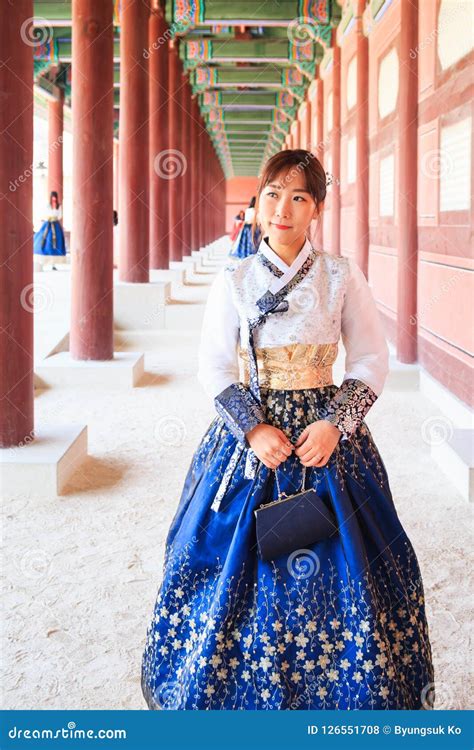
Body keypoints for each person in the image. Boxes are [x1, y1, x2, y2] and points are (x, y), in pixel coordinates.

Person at [141, 149, 434, 710]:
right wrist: (251, 429)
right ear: (259, 203)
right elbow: (214, 366)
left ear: (316, 208)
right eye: (273, 194)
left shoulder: (341, 274)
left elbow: (371, 359)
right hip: (253, 444)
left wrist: (336, 424)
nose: (283, 208)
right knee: (219, 563)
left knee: (356, 570)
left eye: (299, 197)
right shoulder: (235, 278)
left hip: (327, 441)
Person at [33, 190, 66, 269]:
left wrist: (54, 217)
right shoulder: (47, 205)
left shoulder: (59, 206)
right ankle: (43, 261)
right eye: (53, 197)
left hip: (55, 224)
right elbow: (45, 214)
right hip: (48, 225)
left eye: (55, 197)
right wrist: (49, 217)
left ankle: (53, 264)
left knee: (56, 243)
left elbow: (60, 215)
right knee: (46, 241)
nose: (54, 198)